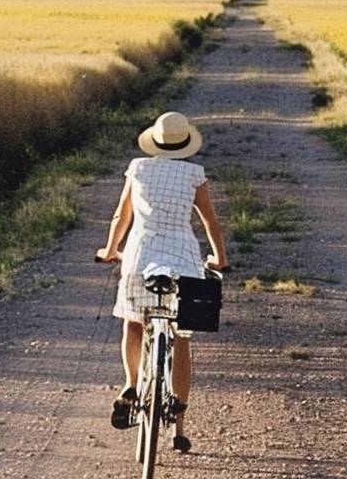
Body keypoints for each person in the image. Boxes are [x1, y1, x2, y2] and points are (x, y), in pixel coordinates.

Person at [95, 111, 228, 453]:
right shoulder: (194, 174)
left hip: (141, 256)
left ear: (154, 141)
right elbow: (210, 223)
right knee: (181, 338)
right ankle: (179, 424)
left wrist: (110, 250)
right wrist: (220, 259)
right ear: (186, 144)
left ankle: (131, 384)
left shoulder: (138, 168)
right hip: (183, 259)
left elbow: (121, 216)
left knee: (134, 324)